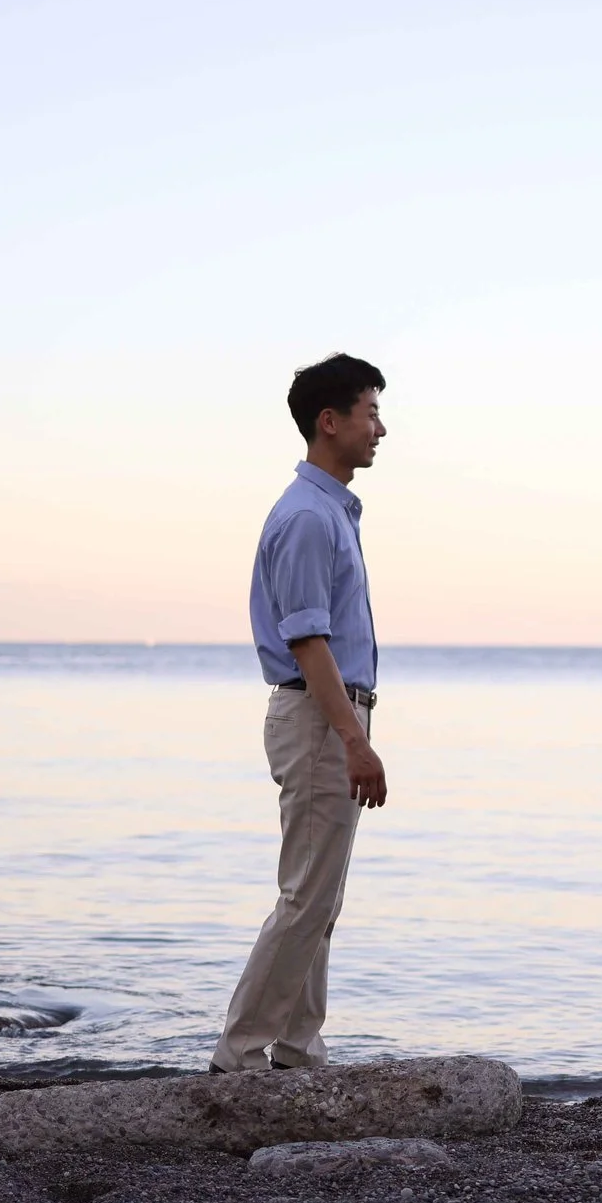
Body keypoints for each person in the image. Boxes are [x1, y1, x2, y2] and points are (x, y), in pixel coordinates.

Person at [211, 354, 390, 1074]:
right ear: (330, 421)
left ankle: (295, 1046)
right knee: (305, 896)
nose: (381, 427)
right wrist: (352, 738)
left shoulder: (328, 511)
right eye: (370, 412)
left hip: (329, 713)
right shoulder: (309, 517)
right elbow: (307, 639)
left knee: (320, 897)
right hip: (319, 714)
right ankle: (240, 1052)